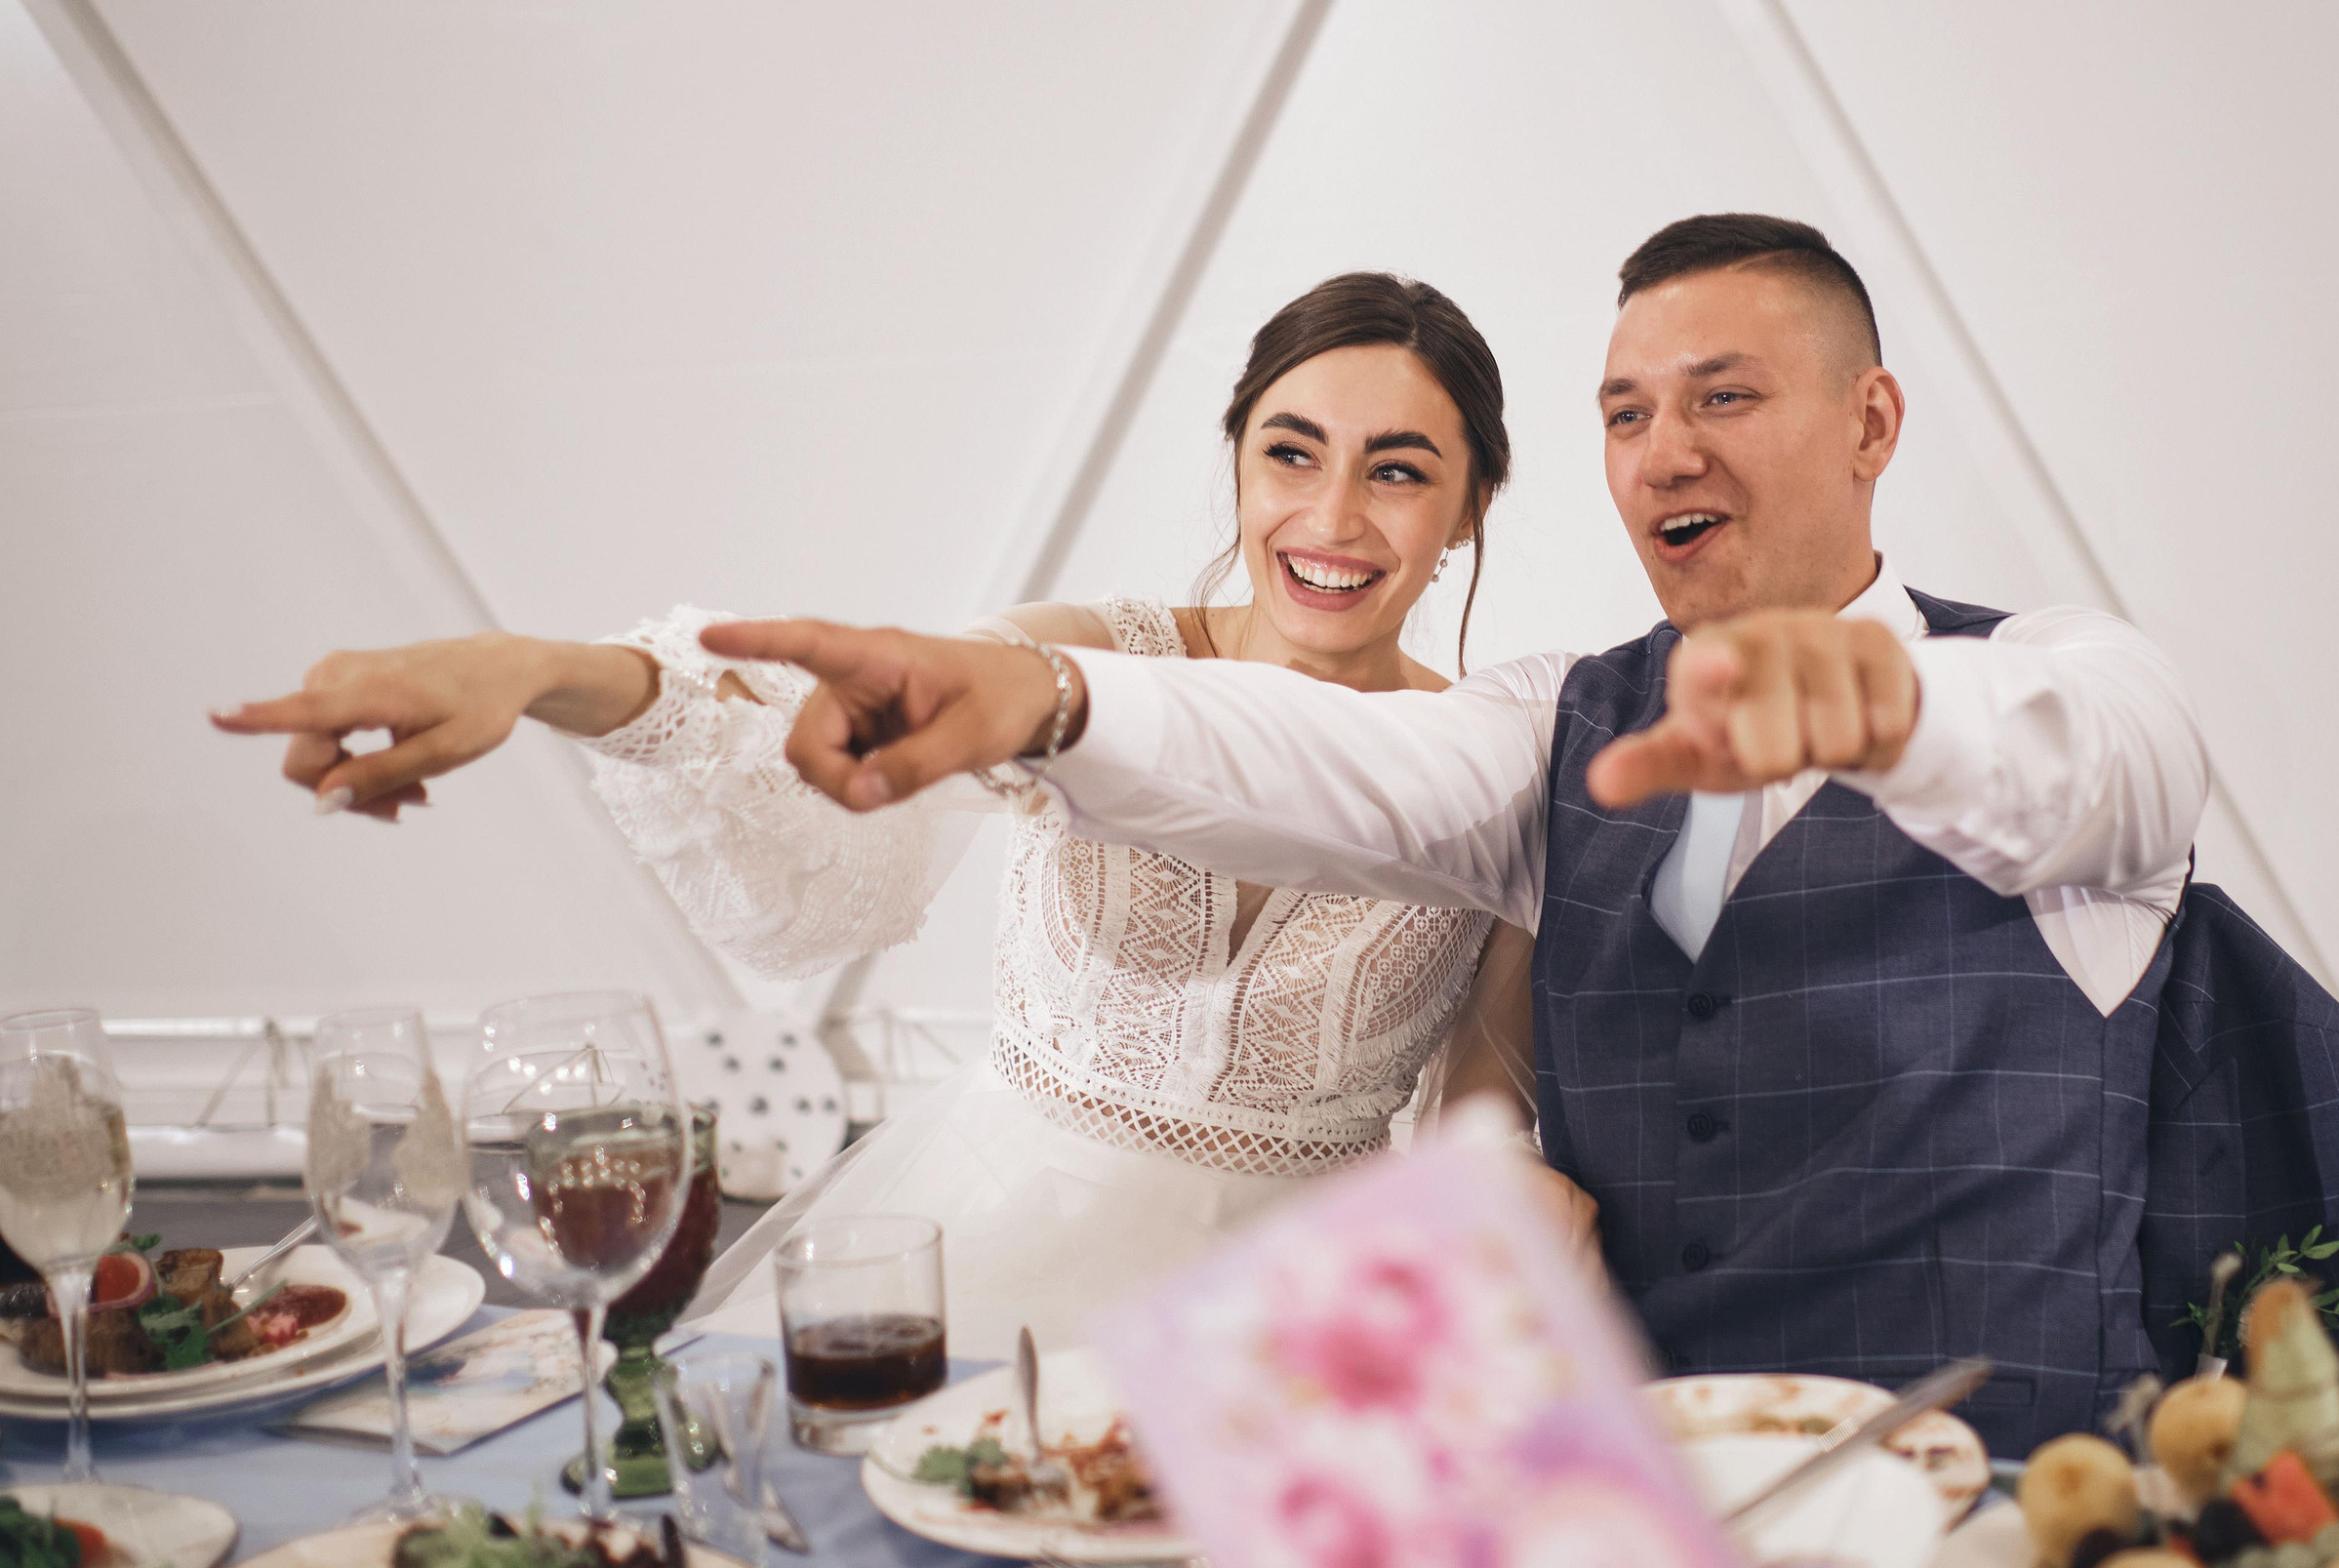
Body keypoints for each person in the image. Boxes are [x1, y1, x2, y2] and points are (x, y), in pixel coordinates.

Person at [686, 216, 2215, 1455]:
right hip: (1643, 1497)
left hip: (1996, 1495)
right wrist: (1058, 701)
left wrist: (1890, 715)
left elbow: (2105, 776)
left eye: (1723, 397)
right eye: (1627, 414)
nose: (1665, 451)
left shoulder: (2071, 674)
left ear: (1870, 420)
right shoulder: (1558, 723)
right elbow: (1335, 765)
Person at [212, 272, 1593, 1357]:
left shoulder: (1492, 769)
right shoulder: (1079, 658)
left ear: (1473, 504)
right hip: (988, 1258)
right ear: (1237, 461)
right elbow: (805, 774)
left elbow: (1477, 1128)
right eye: (1292, 453)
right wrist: (549, 674)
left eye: (1400, 470)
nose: (1333, 516)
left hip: (1293, 1335)